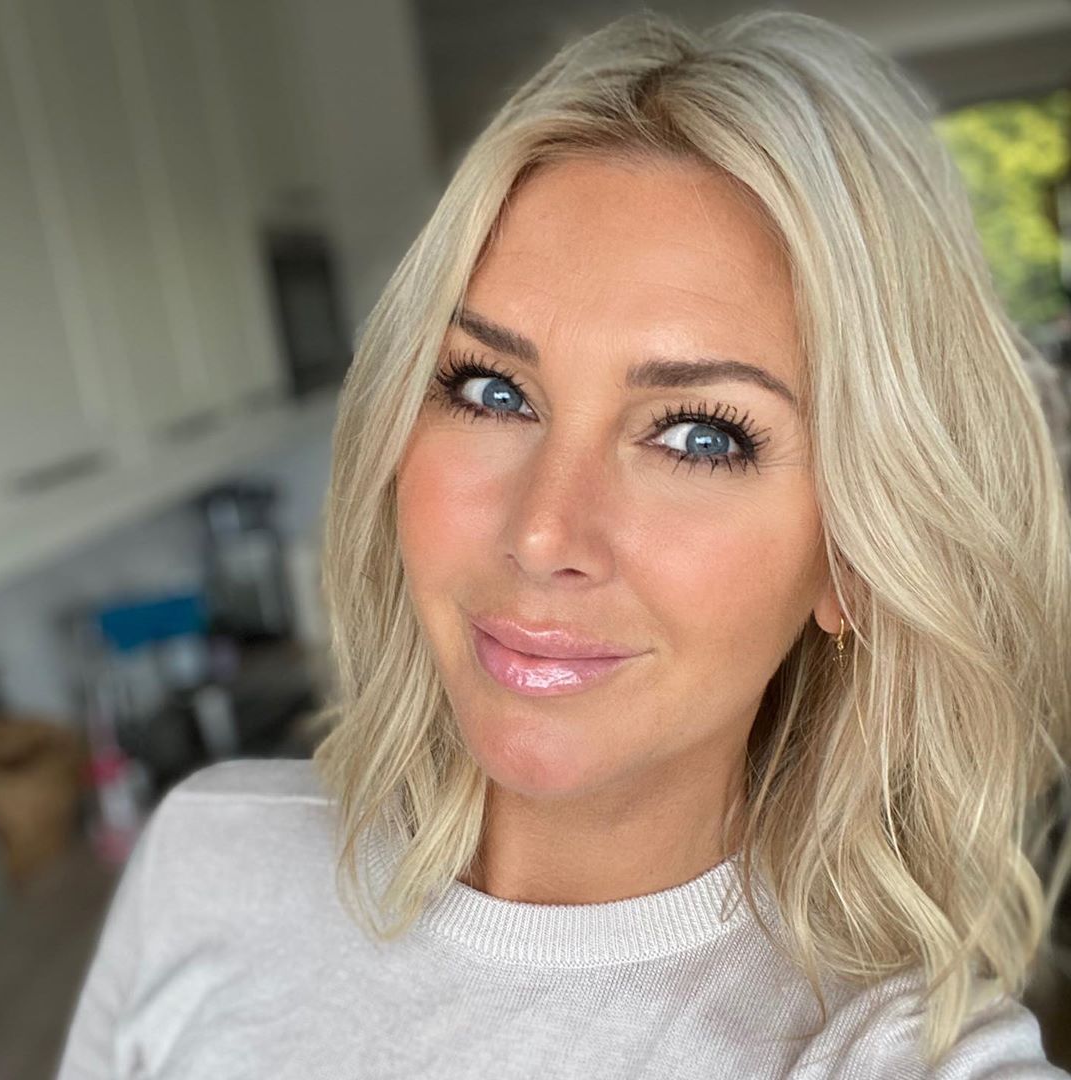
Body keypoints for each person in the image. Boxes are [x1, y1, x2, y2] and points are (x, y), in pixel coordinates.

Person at [56, 8, 1071, 1078]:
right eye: (492, 391)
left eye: (700, 436)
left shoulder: (882, 1054)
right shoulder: (205, 862)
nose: (543, 533)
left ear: (854, 555)